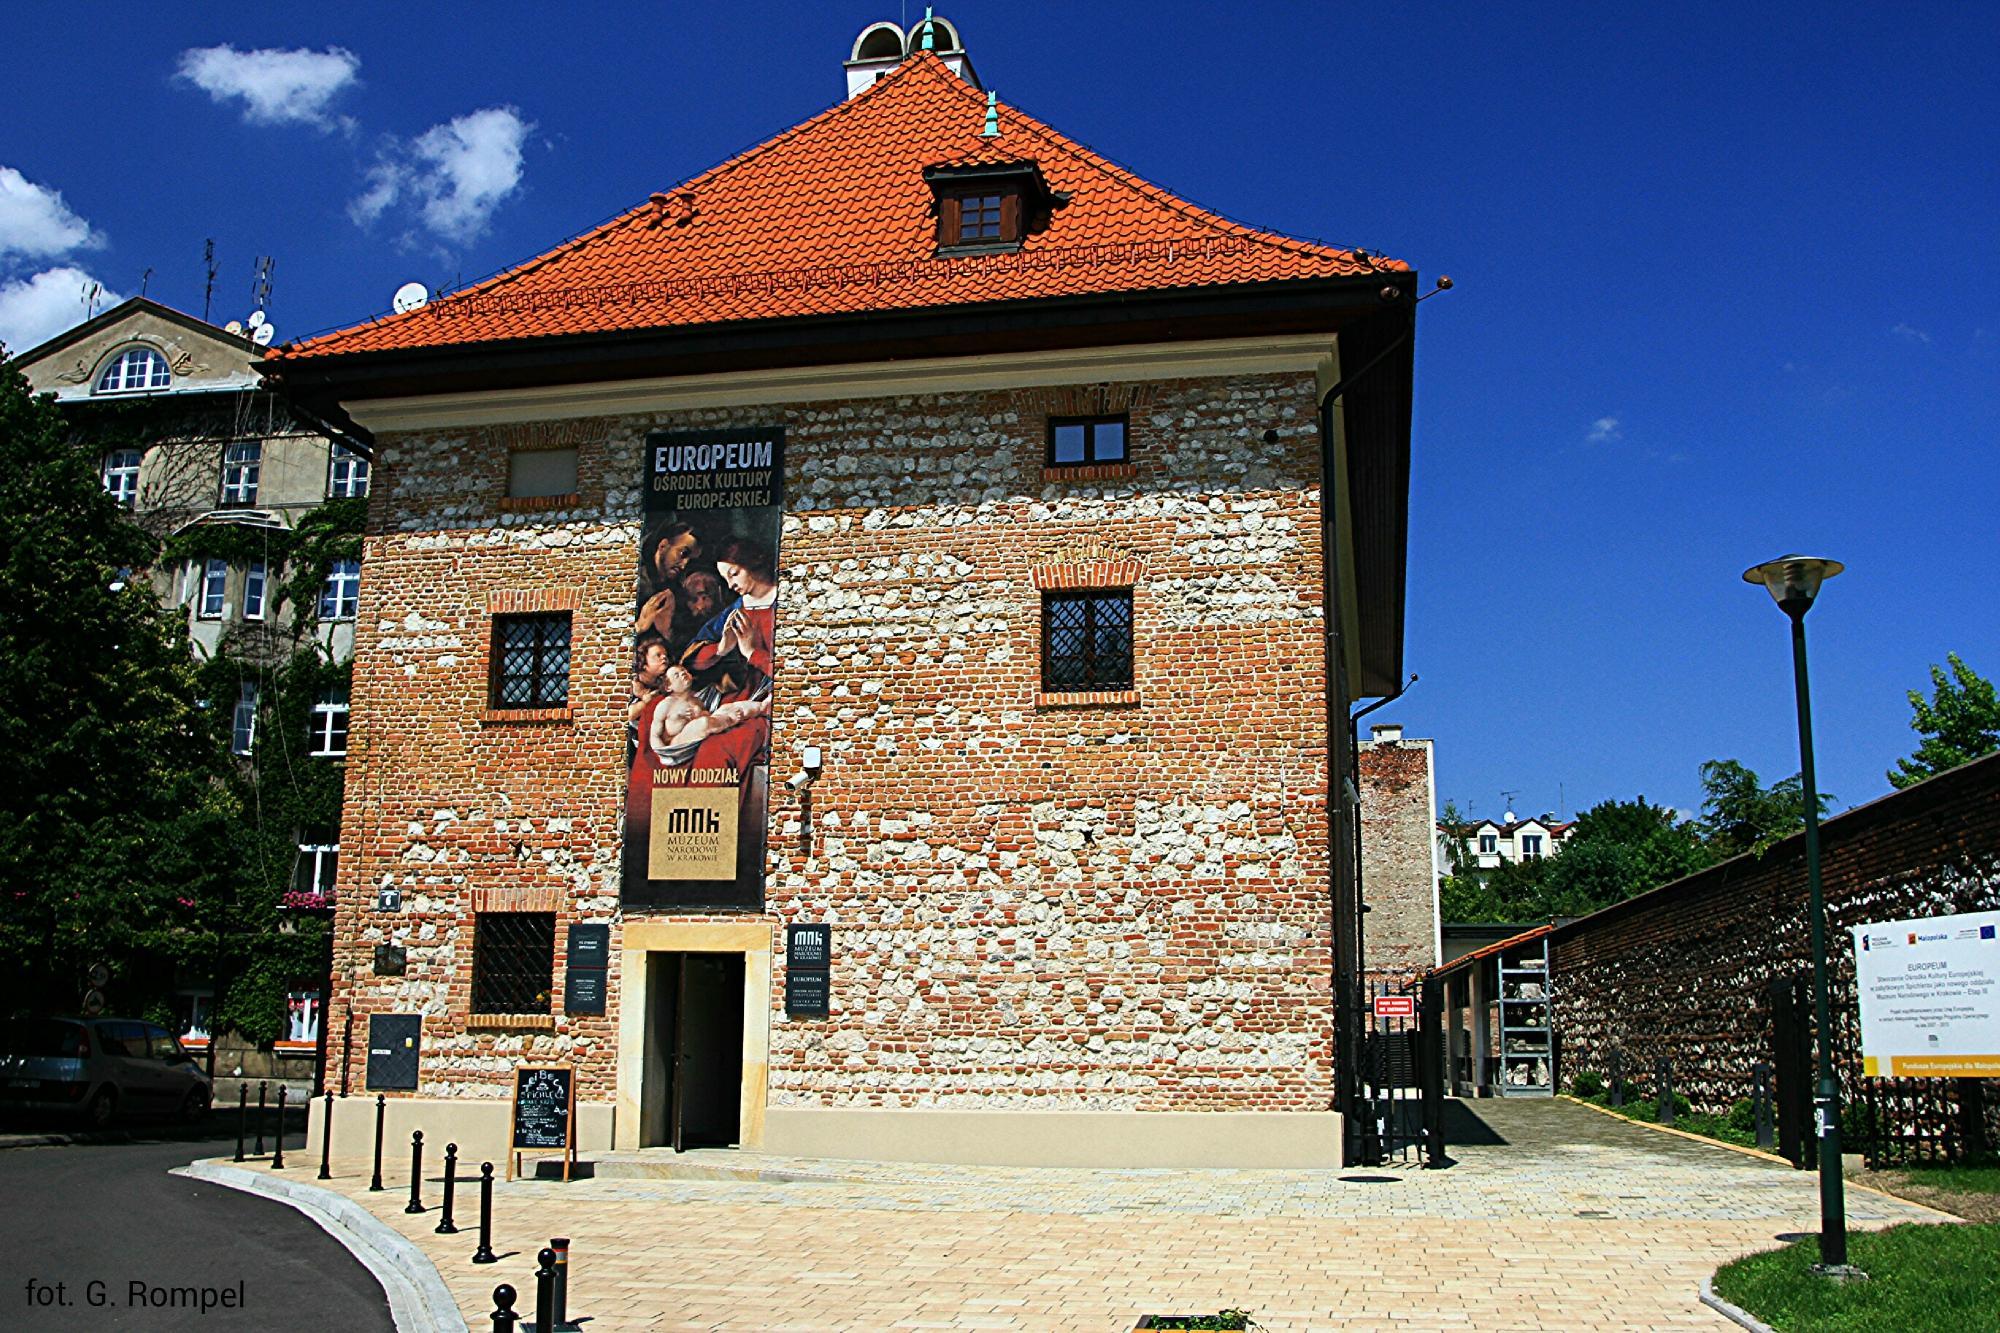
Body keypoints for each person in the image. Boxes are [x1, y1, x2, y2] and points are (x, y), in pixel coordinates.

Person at [648, 663, 770, 763]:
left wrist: (698, 716)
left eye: (684, 671)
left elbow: (706, 715)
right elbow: (655, 735)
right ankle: (730, 720)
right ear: (668, 687)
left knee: (727, 707)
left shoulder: (697, 701)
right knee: (704, 723)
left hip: (698, 734)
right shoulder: (666, 705)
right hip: (676, 745)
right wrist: (664, 757)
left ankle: (761, 706)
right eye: (677, 675)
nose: (683, 674)